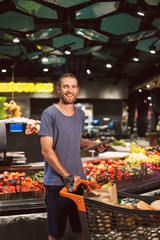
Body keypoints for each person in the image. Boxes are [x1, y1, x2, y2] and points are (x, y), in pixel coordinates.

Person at [38, 73, 106, 240]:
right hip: (56, 184)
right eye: (66, 86)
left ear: (77, 89)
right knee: (56, 233)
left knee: (81, 228)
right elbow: (46, 150)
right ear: (58, 89)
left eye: (73, 87)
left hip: (79, 181)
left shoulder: (80, 114)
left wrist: (94, 145)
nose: (70, 90)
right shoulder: (49, 113)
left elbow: (78, 141)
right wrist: (66, 175)